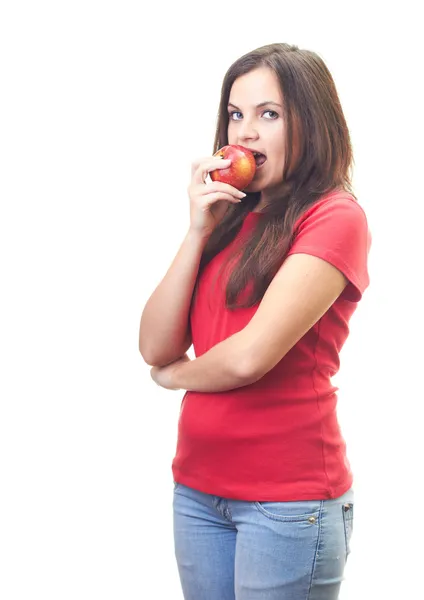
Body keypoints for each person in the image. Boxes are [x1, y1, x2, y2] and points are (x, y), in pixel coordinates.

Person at [139, 43, 371, 600]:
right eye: (235, 114)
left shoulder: (335, 218)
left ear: (312, 124)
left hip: (287, 503)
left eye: (269, 114)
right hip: (197, 490)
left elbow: (248, 357)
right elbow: (154, 343)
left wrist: (176, 378)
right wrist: (197, 229)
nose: (244, 133)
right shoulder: (230, 214)